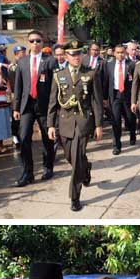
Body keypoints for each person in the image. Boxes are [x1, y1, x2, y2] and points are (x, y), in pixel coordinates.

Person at [47, 39, 103, 212]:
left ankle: (74, 197)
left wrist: (98, 124)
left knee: (77, 157)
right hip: (64, 122)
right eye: (72, 54)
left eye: (78, 53)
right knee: (71, 158)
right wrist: (50, 125)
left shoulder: (91, 74)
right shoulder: (59, 75)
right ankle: (86, 168)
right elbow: (52, 102)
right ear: (66, 56)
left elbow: (97, 101)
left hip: (83, 121)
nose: (76, 57)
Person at [13, 30, 56, 187]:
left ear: (42, 42)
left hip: (44, 105)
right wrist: (16, 107)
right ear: (28, 42)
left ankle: (48, 167)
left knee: (47, 138)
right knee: (23, 137)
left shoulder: (50, 61)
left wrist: (54, 107)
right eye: (32, 41)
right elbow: (18, 86)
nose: (35, 43)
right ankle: (27, 172)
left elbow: (54, 87)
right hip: (27, 105)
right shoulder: (22, 62)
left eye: (38, 40)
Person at [103, 43, 136, 155]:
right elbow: (106, 82)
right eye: (118, 52)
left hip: (127, 96)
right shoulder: (109, 65)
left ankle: (132, 134)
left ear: (125, 53)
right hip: (115, 96)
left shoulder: (131, 64)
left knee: (130, 118)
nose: (120, 55)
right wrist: (105, 98)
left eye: (122, 52)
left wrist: (134, 99)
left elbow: (135, 83)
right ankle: (116, 145)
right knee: (115, 121)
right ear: (114, 53)